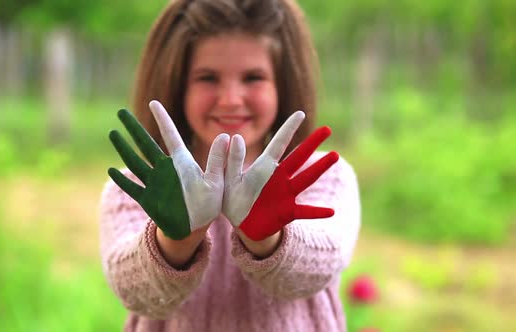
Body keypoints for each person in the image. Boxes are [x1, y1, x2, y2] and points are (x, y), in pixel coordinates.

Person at [99, 0, 361, 331]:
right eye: (208, 78)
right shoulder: (139, 189)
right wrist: (177, 237)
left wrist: (266, 235)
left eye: (253, 77)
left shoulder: (324, 178)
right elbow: (135, 293)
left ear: (283, 85)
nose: (231, 99)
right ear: (177, 86)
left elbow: (314, 275)